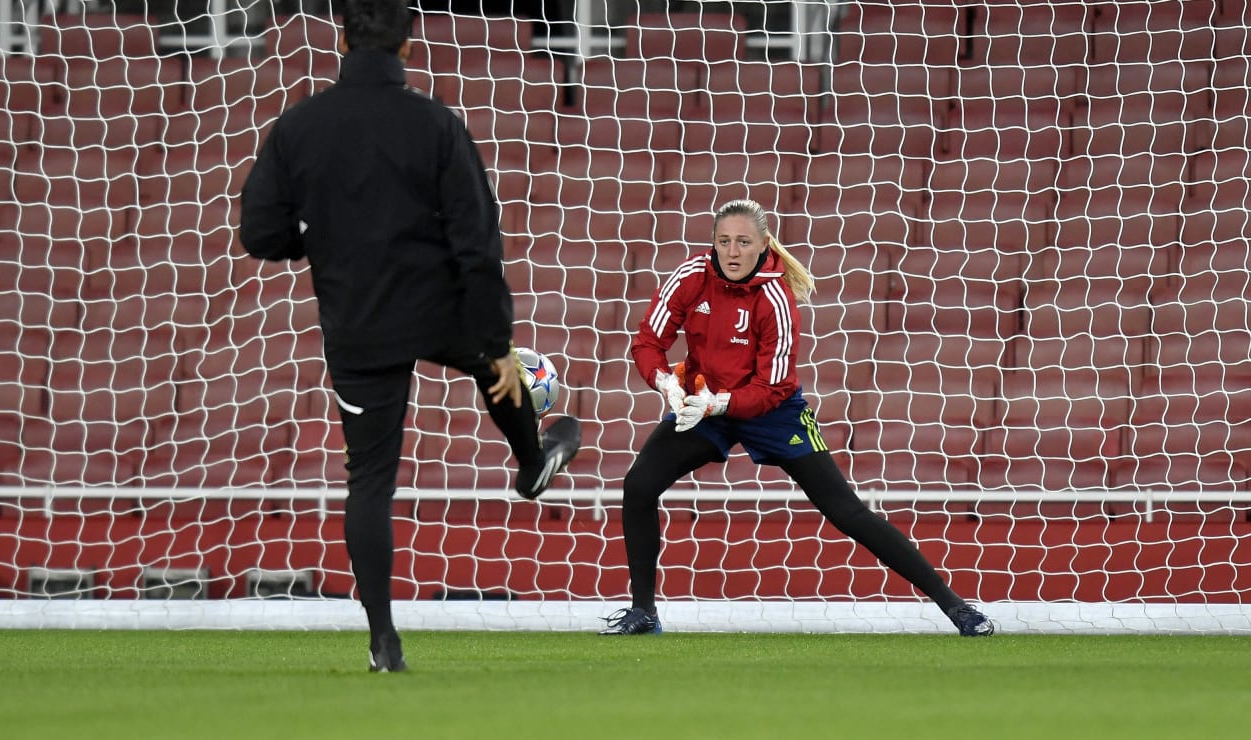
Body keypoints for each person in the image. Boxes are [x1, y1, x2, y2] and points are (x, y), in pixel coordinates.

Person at [238, 0, 581, 672]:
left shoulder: (299, 126)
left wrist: (313, 234)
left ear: (340, 38)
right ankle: (531, 460)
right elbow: (478, 242)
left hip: (358, 322)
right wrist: (497, 340)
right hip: (439, 305)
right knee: (495, 363)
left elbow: (259, 234)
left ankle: (383, 642)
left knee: (370, 483)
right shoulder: (435, 124)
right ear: (408, 47)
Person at [599, 198, 994, 637]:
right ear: (712, 243)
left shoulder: (776, 299)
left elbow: (769, 389)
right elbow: (647, 341)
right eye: (724, 241)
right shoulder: (690, 277)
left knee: (846, 512)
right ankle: (643, 613)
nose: (732, 252)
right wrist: (667, 385)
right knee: (639, 485)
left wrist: (719, 404)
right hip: (704, 399)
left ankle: (955, 607)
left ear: (763, 244)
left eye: (743, 242)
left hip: (773, 411)